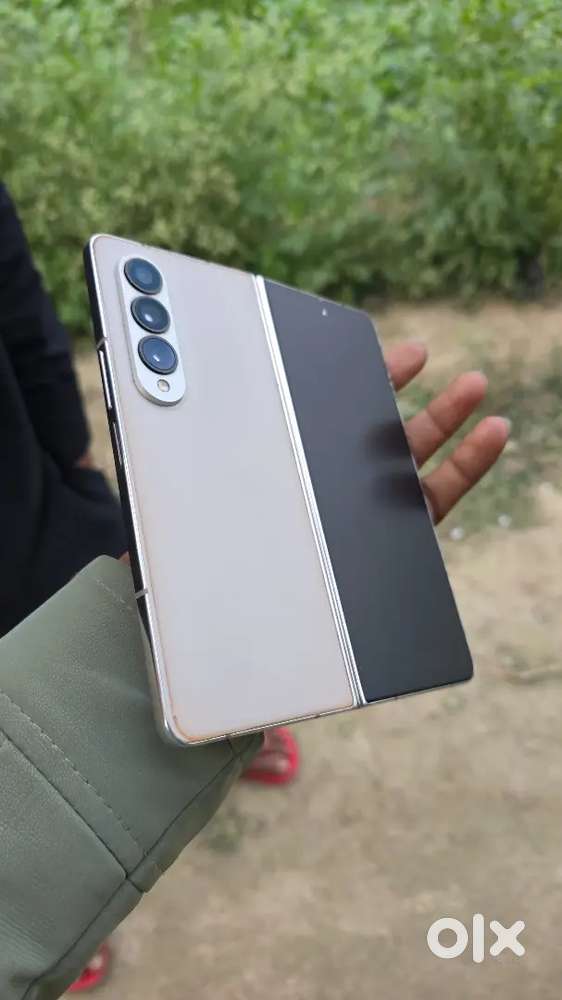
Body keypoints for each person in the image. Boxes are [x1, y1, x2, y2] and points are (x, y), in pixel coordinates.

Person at [0, 183, 509, 998]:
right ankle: (63, 886)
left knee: (132, 578)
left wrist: (74, 453)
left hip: (35, 493)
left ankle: (218, 705)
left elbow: (16, 299)